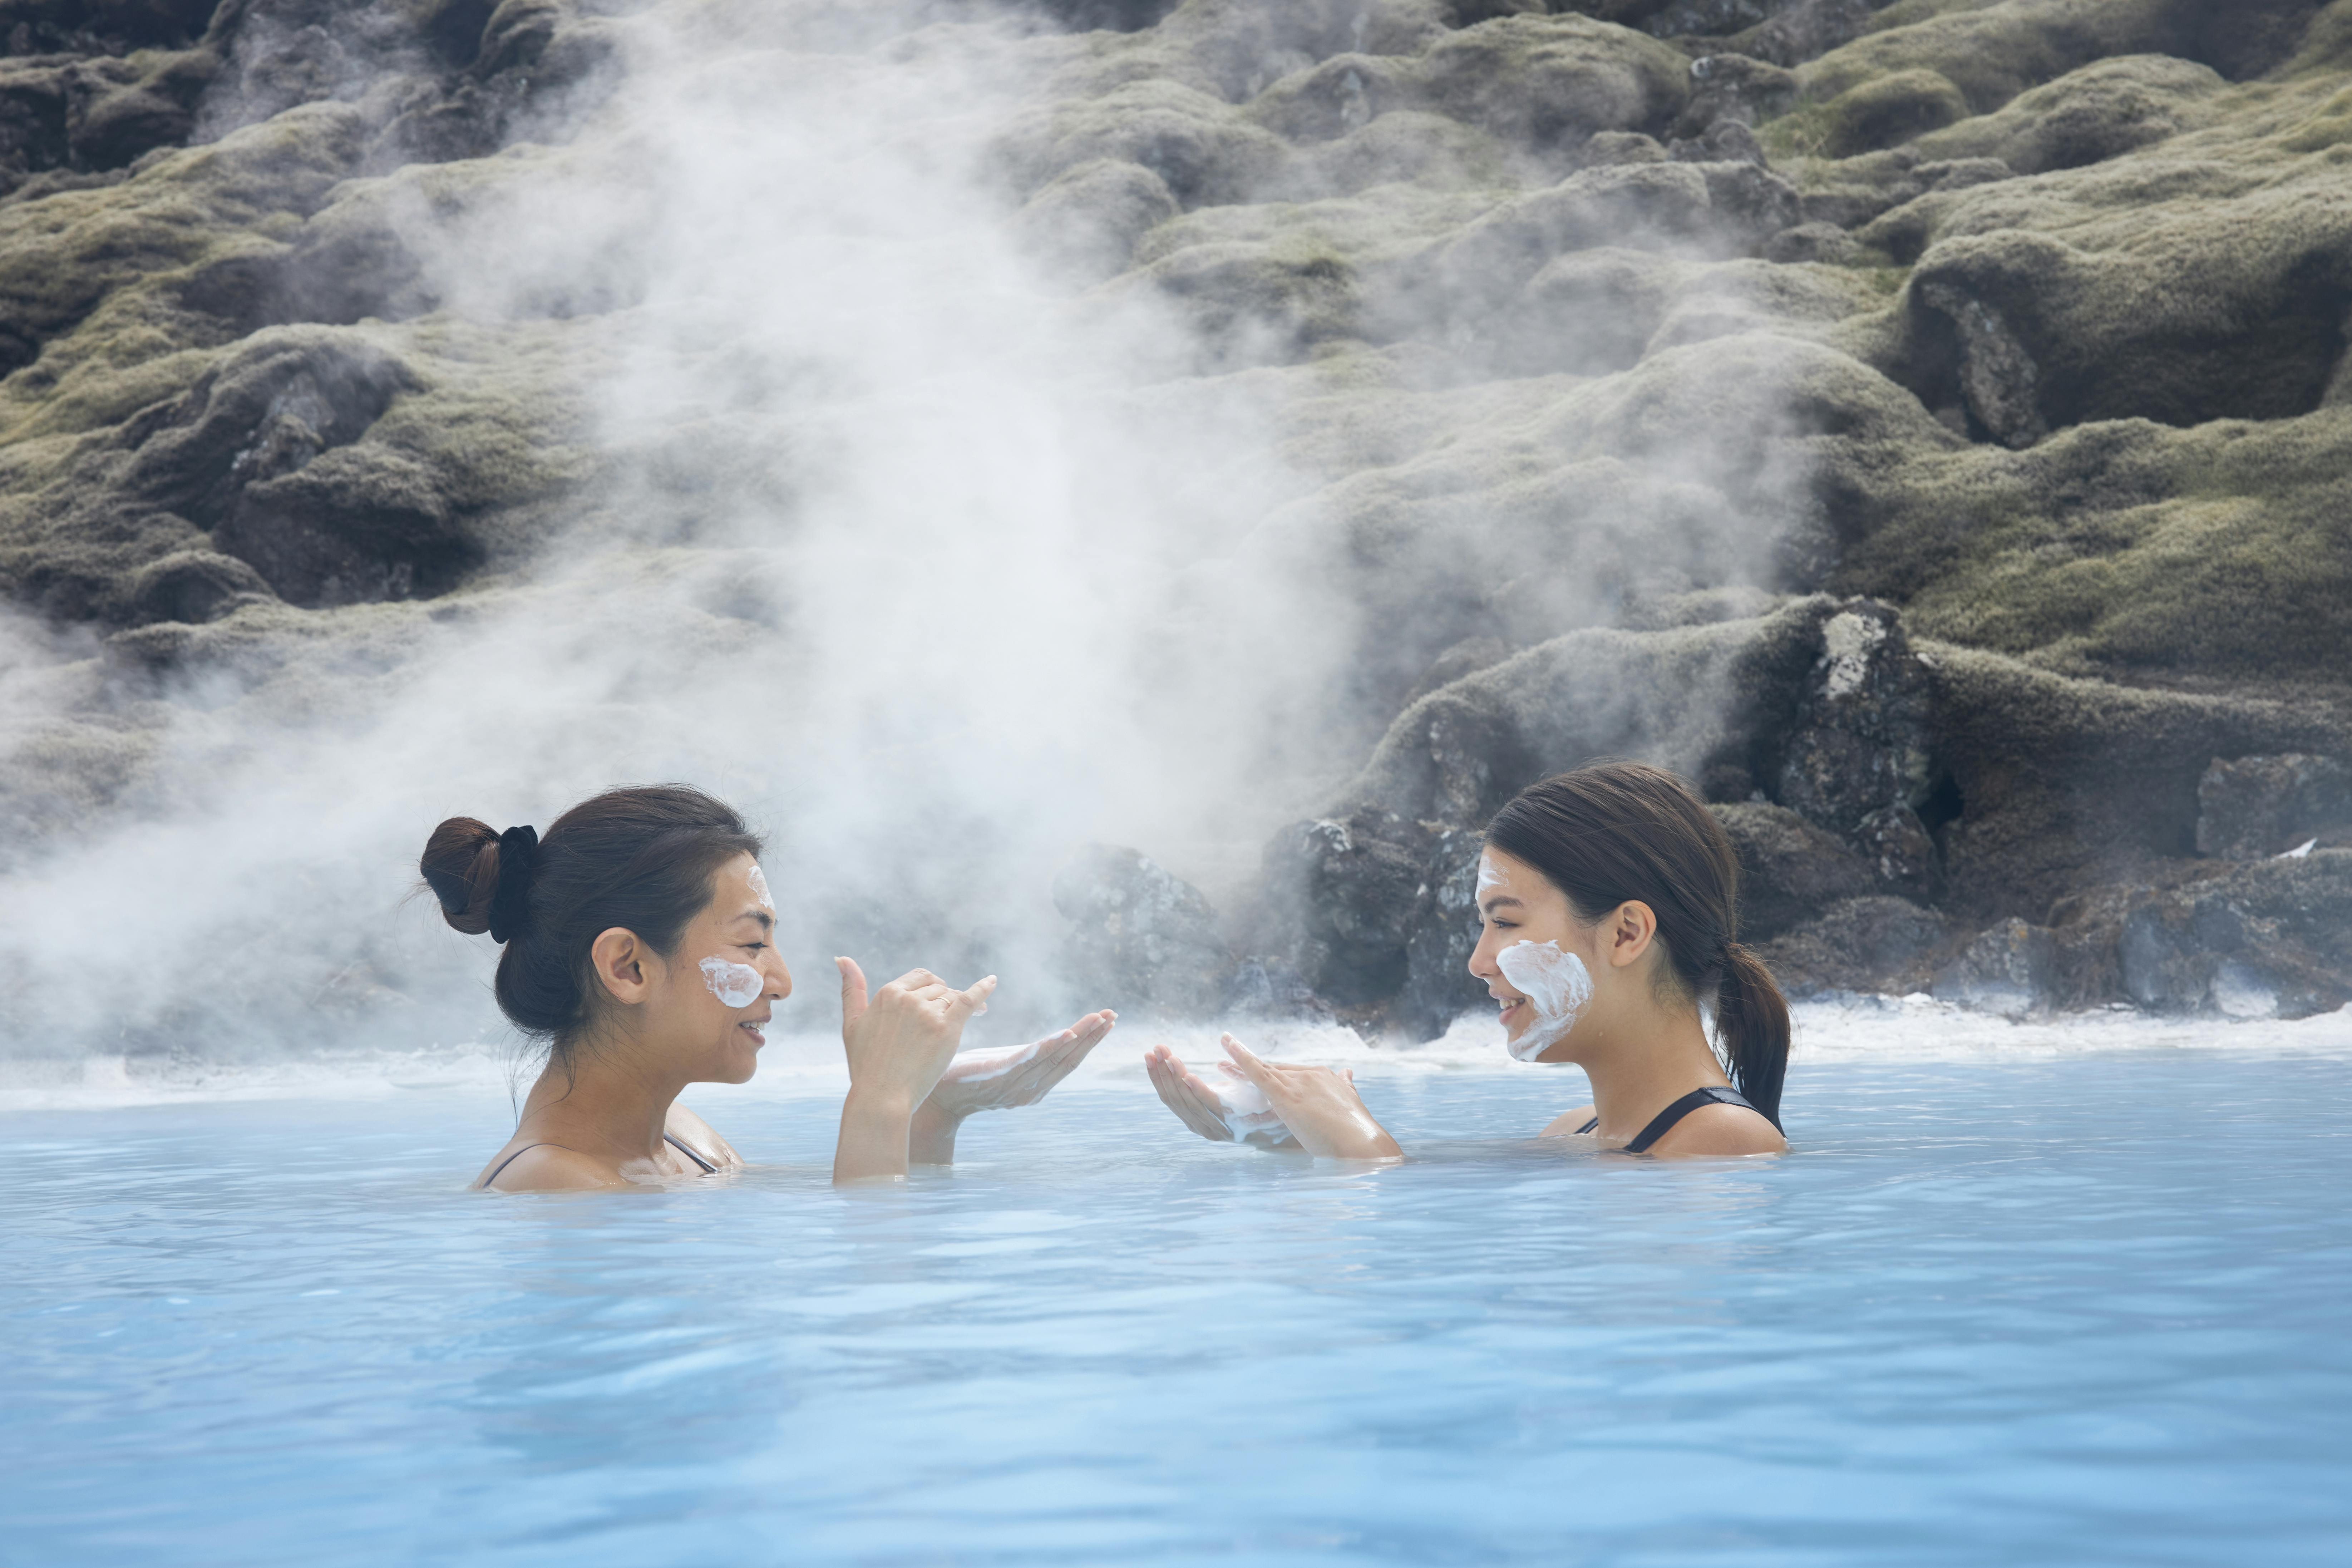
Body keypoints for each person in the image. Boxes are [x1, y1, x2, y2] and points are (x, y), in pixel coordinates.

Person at [420, 784, 1114, 1191]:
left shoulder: (685, 1144)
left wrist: (926, 1112)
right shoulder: (549, 1186)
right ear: (628, 968)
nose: (779, 981)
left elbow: (873, 1257)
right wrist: (875, 1103)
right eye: (752, 944)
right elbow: (862, 1318)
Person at [1145, 760, 1788, 1159]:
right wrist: (1292, 1138)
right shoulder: (1572, 1134)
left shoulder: (1727, 1139)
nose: (1479, 961)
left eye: (1505, 922)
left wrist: (1363, 1151)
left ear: (1626, 934)